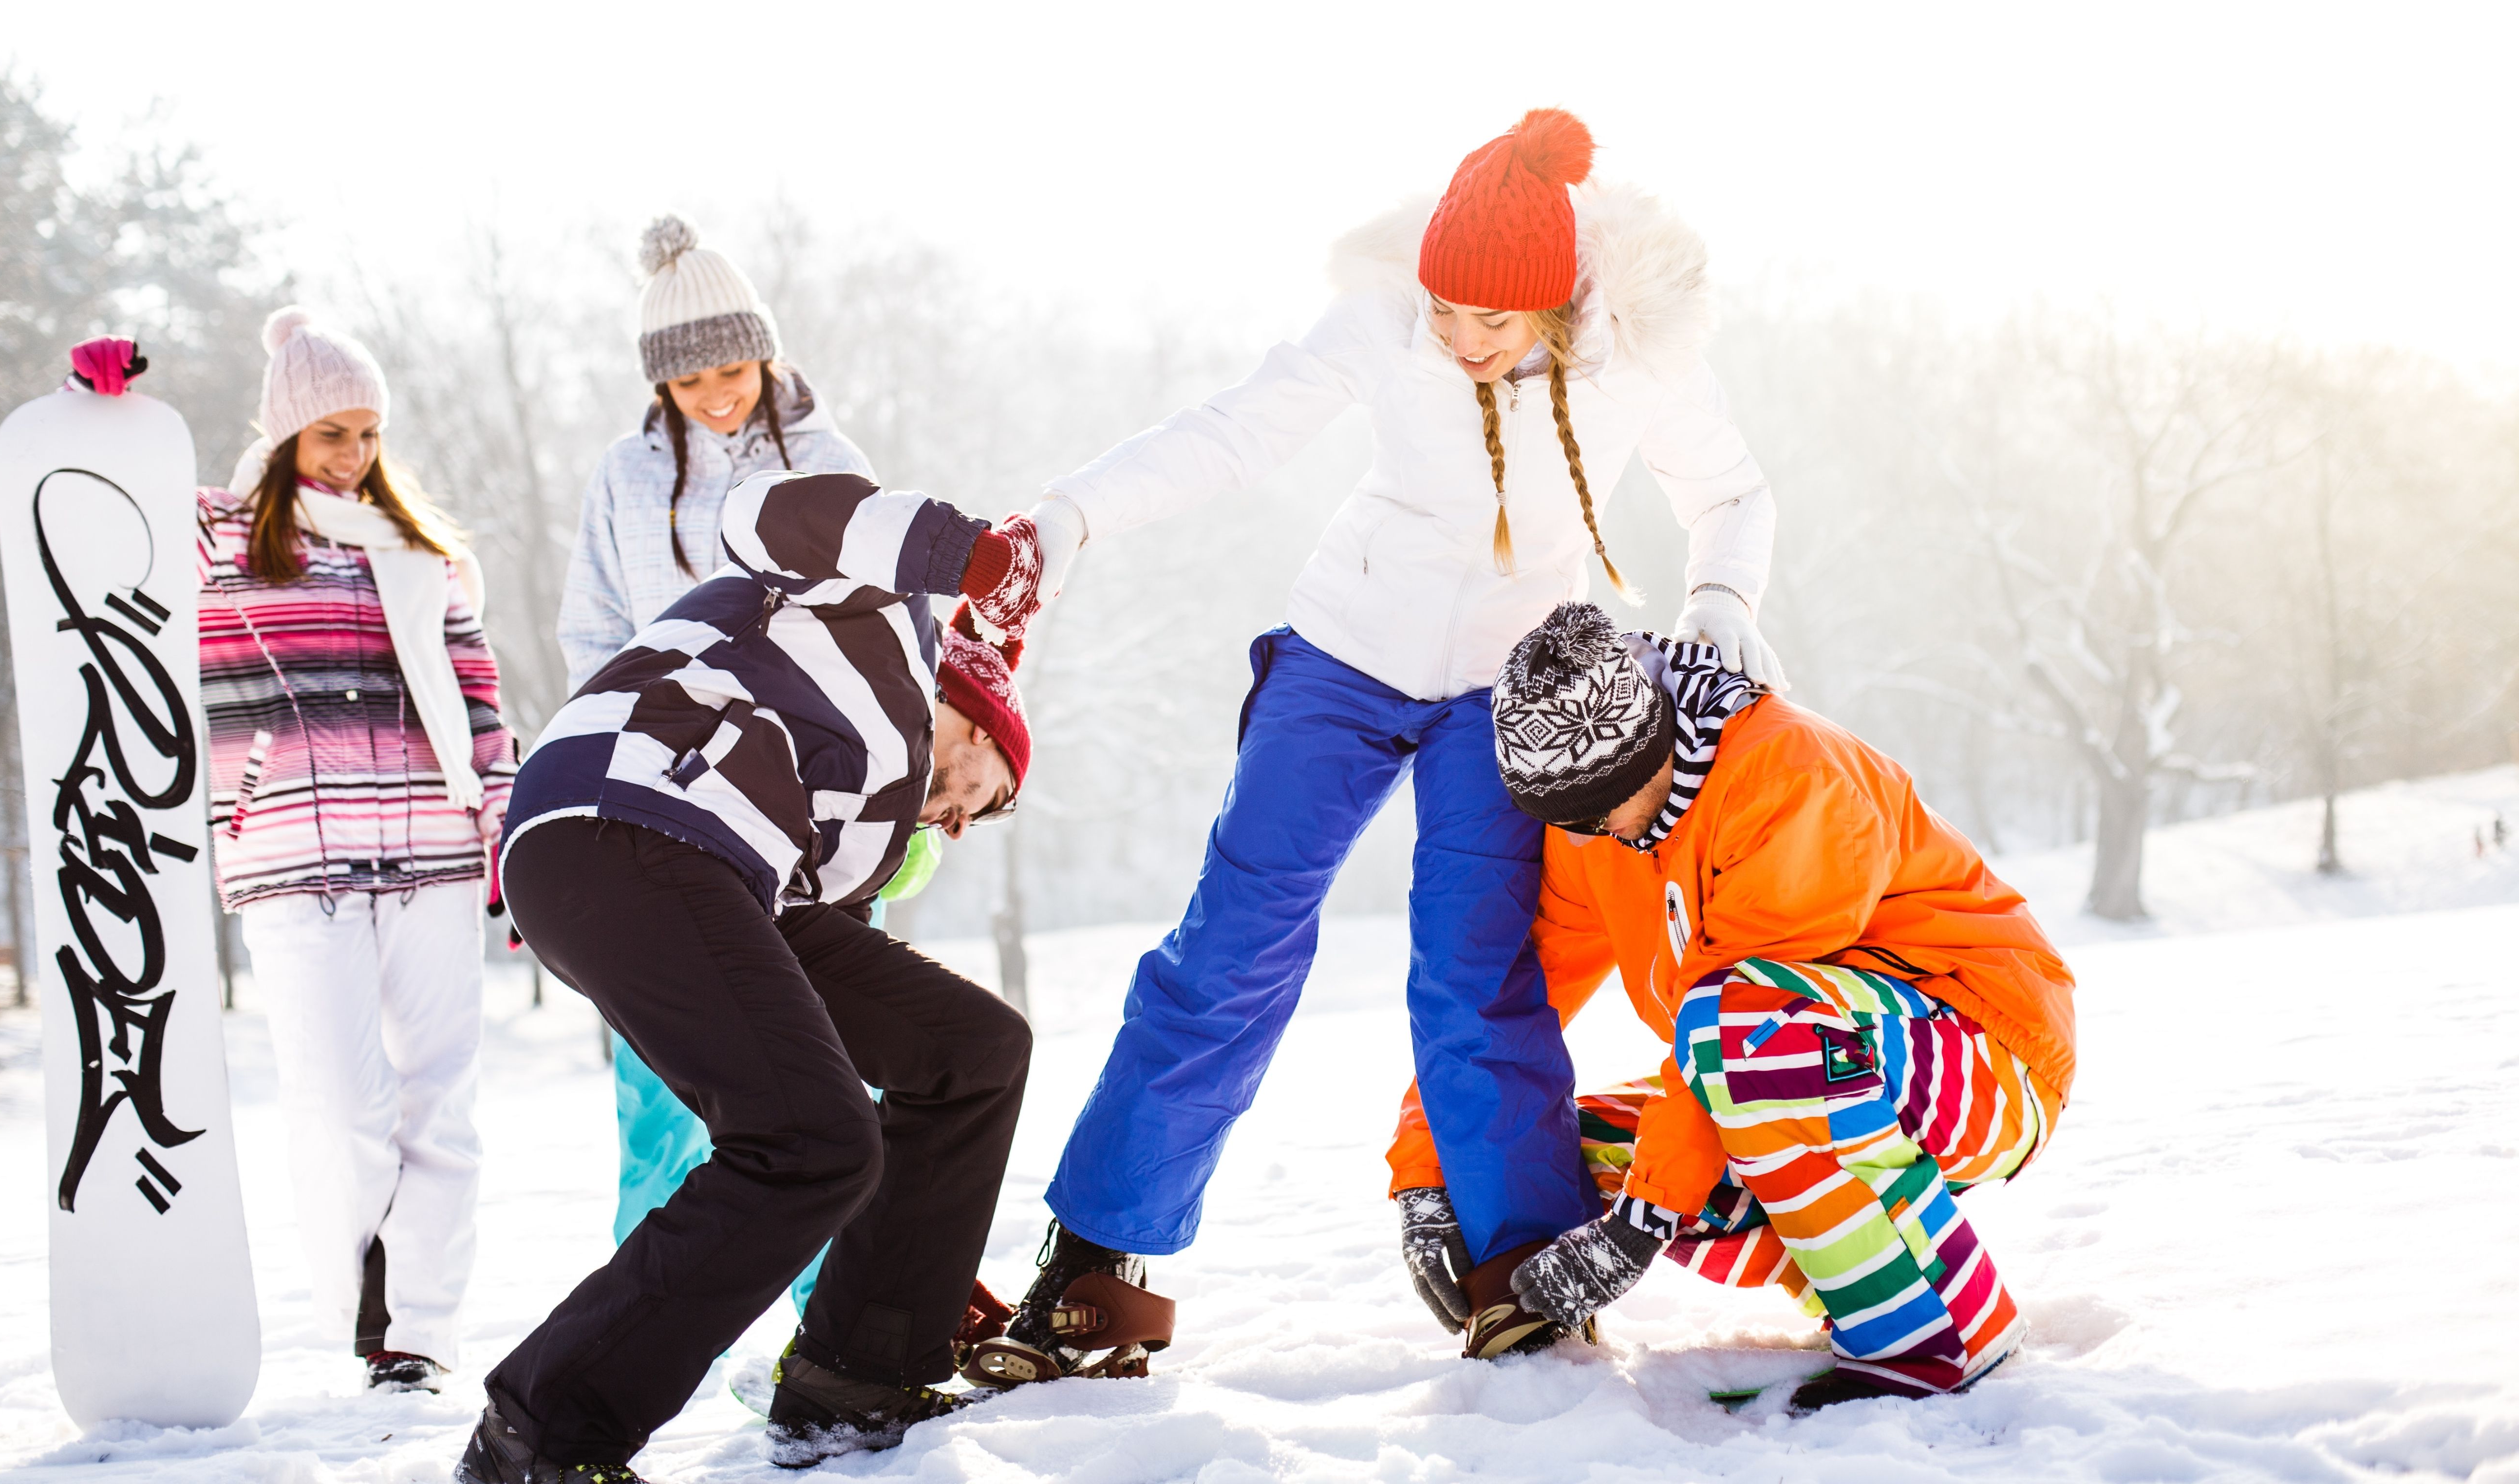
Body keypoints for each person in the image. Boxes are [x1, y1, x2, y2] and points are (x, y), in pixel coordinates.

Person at [966, 109, 1789, 1383]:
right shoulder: (1384, 319)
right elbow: (1234, 430)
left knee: (1474, 969)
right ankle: (1096, 1266)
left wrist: (1721, 602)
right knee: (1232, 942)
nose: (1460, 343)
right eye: (1445, 315)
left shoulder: (1633, 356)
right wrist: (1073, 516)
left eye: (1492, 325)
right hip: (1342, 656)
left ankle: (1522, 1268)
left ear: (1558, 307)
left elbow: (1732, 492)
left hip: (1503, 691)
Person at [454, 470, 1049, 1480]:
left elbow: (847, 1018)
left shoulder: (857, 834)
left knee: (971, 1049)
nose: (958, 820)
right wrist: (976, 560)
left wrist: (915, 1262)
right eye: (988, 795)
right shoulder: (872, 620)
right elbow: (761, 510)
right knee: (804, 1142)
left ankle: (860, 1371)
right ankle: (540, 1437)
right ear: (975, 709)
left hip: (718, 876)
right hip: (623, 813)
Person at [1385, 603, 2076, 1409]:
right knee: (1568, 1147)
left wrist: (1642, 1225)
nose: (1591, 833)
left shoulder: (1789, 777)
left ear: (1653, 747)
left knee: (1736, 1031)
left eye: (1601, 804)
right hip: (1803, 1060)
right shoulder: (1599, 833)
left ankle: (1939, 1335)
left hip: (1985, 1056)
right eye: (1565, 819)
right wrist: (1430, 1172)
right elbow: (1516, 1000)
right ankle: (1863, 1283)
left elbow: (1747, 1011)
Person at [557, 213, 939, 1274]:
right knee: (662, 1086)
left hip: (802, 798)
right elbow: (591, 628)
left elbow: (889, 626)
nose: (718, 394)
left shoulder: (829, 460)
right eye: (690, 383)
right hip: (663, 798)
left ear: (765, 352)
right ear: (659, 387)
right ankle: (652, 1340)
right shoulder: (625, 479)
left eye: (733, 367)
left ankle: (825, 1327)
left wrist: (886, 789)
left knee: (824, 1067)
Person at [197, 307, 517, 1391]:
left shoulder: (423, 554)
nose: (356, 455)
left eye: (369, 432)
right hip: (293, 851)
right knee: (342, 1109)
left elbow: (477, 695)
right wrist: (104, 419)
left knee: (441, 1099)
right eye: (333, 433)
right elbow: (109, 532)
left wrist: (500, 811)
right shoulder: (220, 542)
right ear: (287, 433)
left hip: (431, 847)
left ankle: (414, 1335)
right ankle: (363, 1301)